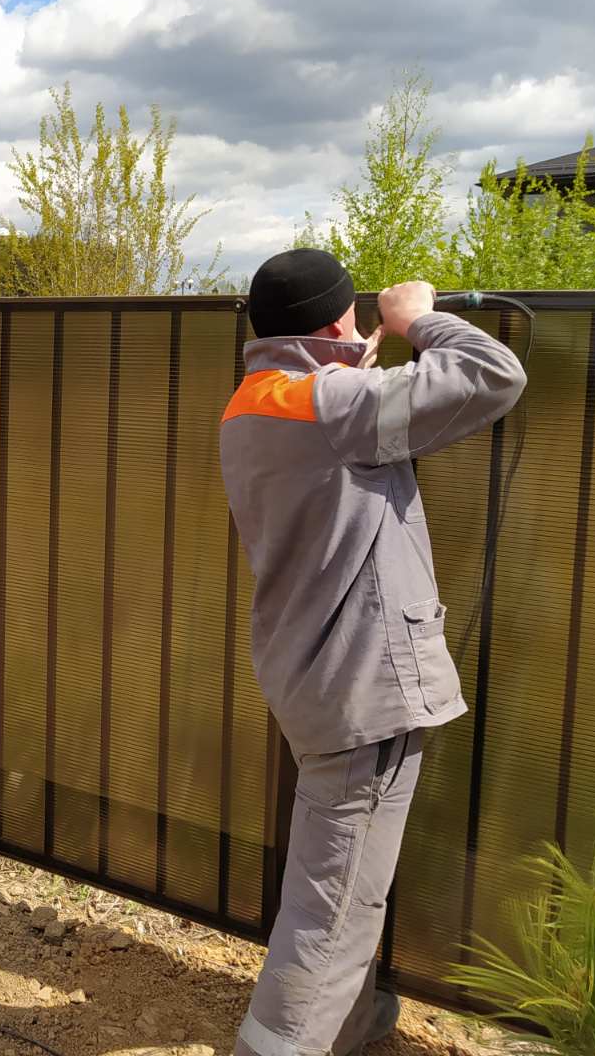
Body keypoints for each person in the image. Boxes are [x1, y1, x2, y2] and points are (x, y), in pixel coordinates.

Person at [219, 248, 526, 1056]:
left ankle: (352, 1021)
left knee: (341, 873)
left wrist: (358, 354)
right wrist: (417, 317)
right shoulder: (336, 405)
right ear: (334, 325)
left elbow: (338, 423)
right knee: (335, 904)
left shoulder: (253, 403)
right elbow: (493, 375)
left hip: (309, 674)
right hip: (363, 688)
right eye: (353, 319)